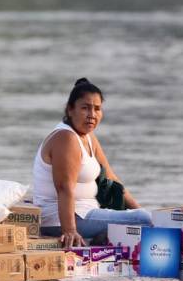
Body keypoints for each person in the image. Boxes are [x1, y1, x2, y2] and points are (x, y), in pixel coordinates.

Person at [33, 78, 152, 247]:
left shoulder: (87, 137)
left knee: (143, 216)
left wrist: (138, 209)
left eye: (97, 109)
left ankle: (102, 238)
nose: (92, 115)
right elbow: (64, 187)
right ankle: (101, 238)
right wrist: (70, 231)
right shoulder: (65, 138)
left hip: (88, 213)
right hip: (61, 220)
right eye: (85, 108)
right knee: (143, 220)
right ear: (70, 109)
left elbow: (111, 179)